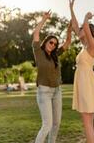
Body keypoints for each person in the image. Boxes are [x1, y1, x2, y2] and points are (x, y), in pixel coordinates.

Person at [69, 0, 94, 143]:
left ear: (88, 32)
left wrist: (86, 18)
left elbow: (84, 27)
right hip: (84, 83)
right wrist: (71, 9)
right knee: (89, 118)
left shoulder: (92, 47)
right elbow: (74, 25)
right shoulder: (84, 46)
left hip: (87, 84)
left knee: (87, 118)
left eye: (82, 29)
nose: (79, 30)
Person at [32, 10, 72, 143]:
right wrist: (44, 19)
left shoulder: (55, 55)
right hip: (44, 92)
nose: (53, 45)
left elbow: (67, 43)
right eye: (51, 42)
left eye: (55, 44)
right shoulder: (39, 52)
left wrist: (69, 28)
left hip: (57, 91)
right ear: (46, 42)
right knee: (47, 125)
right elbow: (36, 33)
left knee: (56, 124)